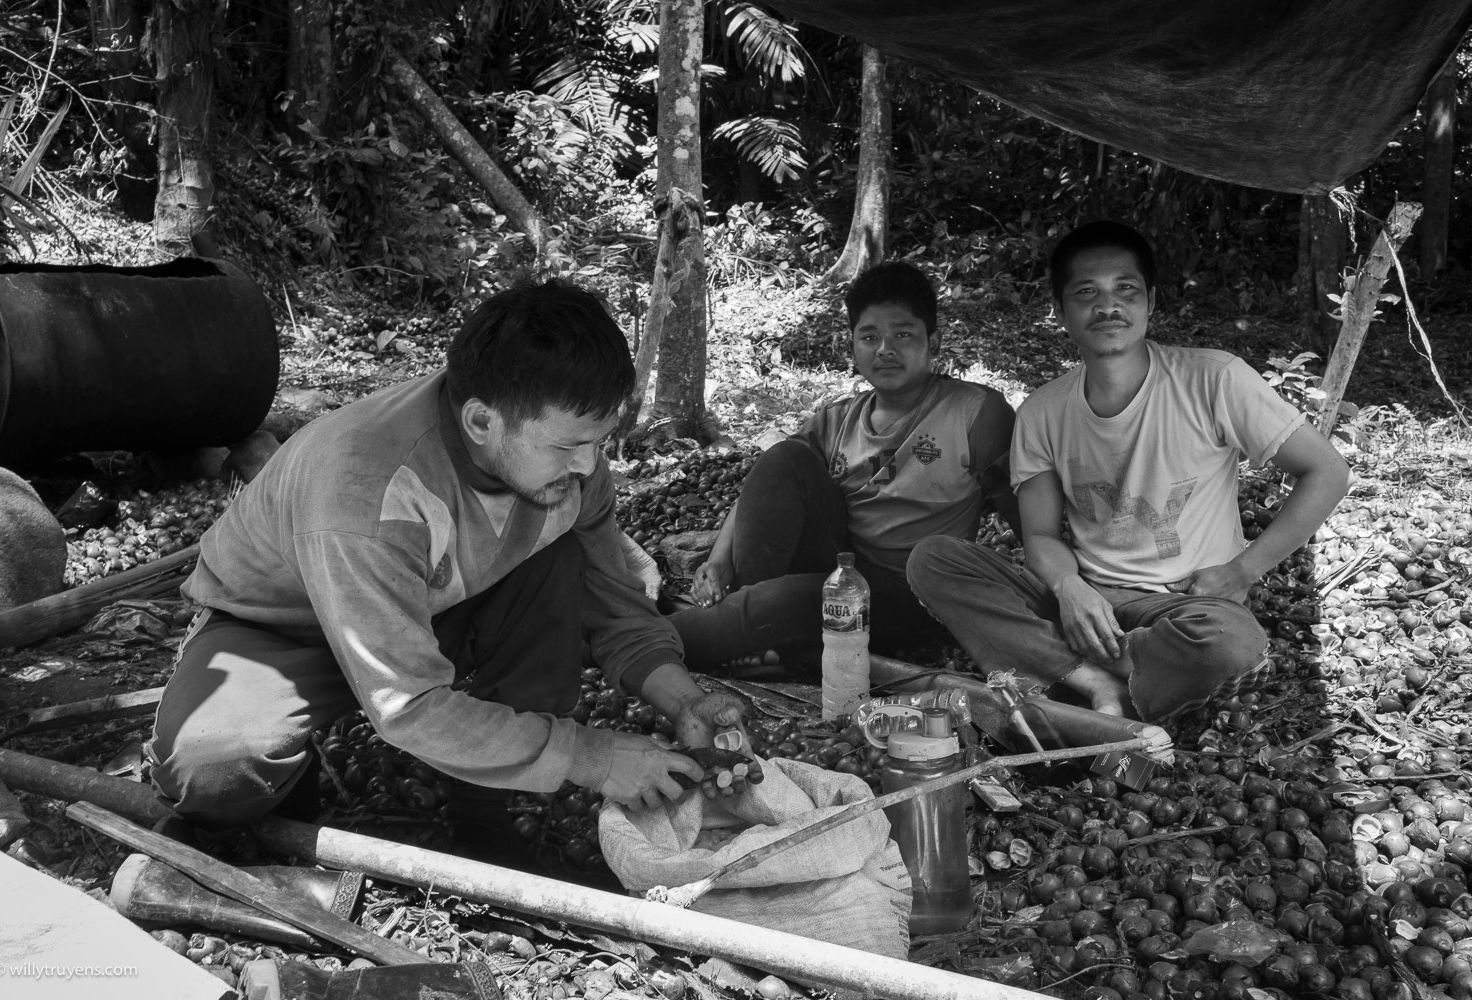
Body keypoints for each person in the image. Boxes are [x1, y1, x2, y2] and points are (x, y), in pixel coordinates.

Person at [148, 278, 748, 830]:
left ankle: (485, 815)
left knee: (558, 562)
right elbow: (405, 703)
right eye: (569, 444)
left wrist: (686, 701)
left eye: (598, 442)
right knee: (215, 769)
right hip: (283, 632)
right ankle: (290, 797)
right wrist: (590, 756)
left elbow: (614, 606)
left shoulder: (568, 464)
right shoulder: (366, 496)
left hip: (434, 611)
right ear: (483, 421)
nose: (589, 465)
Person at [907, 221, 1350, 722]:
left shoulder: (1214, 378)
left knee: (1232, 645)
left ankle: (1067, 669)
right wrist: (1070, 591)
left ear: (1150, 302)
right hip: (1083, 600)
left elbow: (1328, 472)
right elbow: (1039, 534)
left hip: (1182, 605)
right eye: (1086, 293)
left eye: (1125, 290)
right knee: (934, 560)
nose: (1108, 306)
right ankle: (1099, 679)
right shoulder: (1043, 410)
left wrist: (1242, 570)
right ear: (1061, 311)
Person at [670, 260, 1020, 670]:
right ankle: (751, 624)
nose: (885, 349)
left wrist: (1049, 595)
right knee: (784, 457)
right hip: (840, 569)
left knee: (781, 603)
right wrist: (718, 559)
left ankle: (638, 644)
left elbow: (1021, 505)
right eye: (869, 336)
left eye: (903, 334)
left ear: (935, 343)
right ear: (852, 345)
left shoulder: (975, 412)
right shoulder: (836, 420)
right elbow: (763, 490)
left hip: (915, 595)